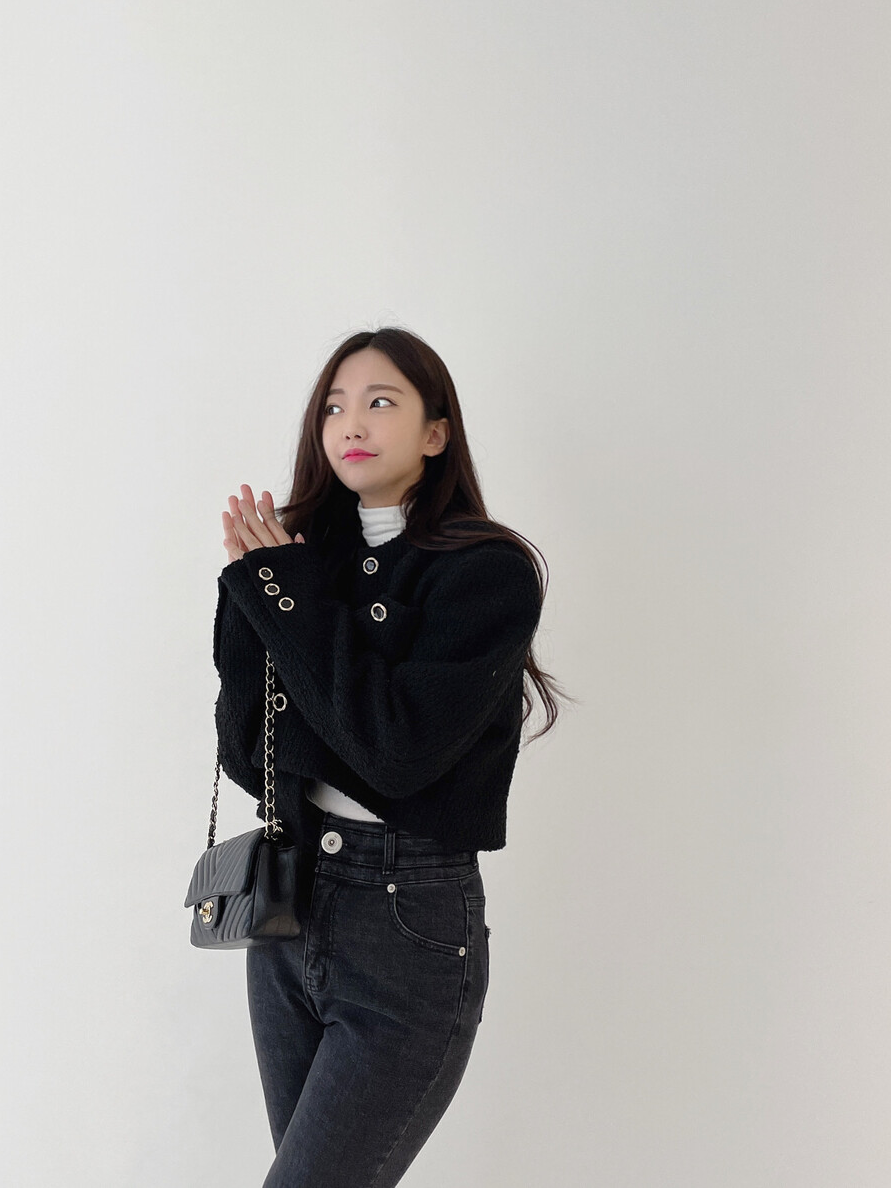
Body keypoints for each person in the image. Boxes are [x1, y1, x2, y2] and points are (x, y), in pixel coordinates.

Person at [212, 326, 573, 1187]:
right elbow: (251, 754)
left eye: (381, 401)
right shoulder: (298, 565)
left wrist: (291, 605)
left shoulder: (488, 572)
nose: (351, 422)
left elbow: (397, 753)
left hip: (409, 924)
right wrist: (254, 589)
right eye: (334, 406)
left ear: (435, 431)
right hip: (288, 913)